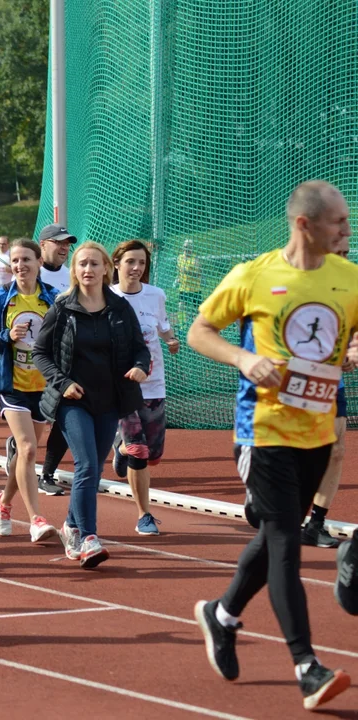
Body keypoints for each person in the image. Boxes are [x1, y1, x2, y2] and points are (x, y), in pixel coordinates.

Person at [187, 181, 356, 710]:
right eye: (339, 223)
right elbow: (200, 331)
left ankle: (222, 613)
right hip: (262, 431)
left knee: (274, 537)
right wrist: (242, 359)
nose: (347, 232)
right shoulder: (254, 276)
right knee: (286, 540)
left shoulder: (350, 278)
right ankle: (307, 665)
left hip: (316, 431)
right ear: (305, 224)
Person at [33, 241, 150, 569]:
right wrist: (63, 382)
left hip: (111, 400)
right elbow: (41, 353)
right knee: (86, 465)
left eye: (94, 264)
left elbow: (140, 348)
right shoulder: (61, 307)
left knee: (94, 469)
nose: (88, 269)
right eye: (82, 264)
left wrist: (141, 366)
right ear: (75, 270)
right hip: (73, 402)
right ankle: (88, 537)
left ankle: (70, 525)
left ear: (105, 270)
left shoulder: (120, 308)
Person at [0, 238, 60, 543]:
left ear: (39, 262)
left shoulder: (53, 298)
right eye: (15, 261)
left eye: (26, 259)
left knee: (25, 456)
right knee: (26, 449)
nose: (20, 266)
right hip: (11, 384)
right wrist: (6, 337)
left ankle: (3, 502)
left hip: (44, 385)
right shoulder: (0, 298)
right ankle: (36, 520)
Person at [107, 240, 181, 535]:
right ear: (117, 264)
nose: (136, 268)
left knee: (153, 454)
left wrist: (171, 340)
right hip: (122, 385)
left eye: (141, 263)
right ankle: (144, 515)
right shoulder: (106, 297)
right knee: (140, 451)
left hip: (154, 383)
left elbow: (163, 327)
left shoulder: (156, 295)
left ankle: (120, 447)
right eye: (130, 262)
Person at [298, 234, 351, 549]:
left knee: (336, 450)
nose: (344, 257)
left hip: (333, 381)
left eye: (347, 252)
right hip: (300, 378)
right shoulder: (301, 286)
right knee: (299, 452)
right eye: (338, 252)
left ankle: (315, 522)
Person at [34, 225, 76, 497]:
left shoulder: (72, 276)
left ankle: (46, 474)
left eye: (67, 244)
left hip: (61, 358)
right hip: (29, 359)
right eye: (58, 243)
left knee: (61, 416)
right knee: (34, 420)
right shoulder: (31, 272)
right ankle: (18, 446)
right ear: (43, 245)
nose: (64, 248)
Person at [175, 238, 201, 326]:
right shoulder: (180, 258)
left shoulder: (195, 259)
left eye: (189, 247)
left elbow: (198, 274)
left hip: (194, 289)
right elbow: (179, 271)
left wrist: (187, 272)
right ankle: (182, 325)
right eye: (185, 246)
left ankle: (198, 326)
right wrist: (177, 279)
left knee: (196, 310)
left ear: (192, 248)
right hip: (183, 288)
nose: (186, 249)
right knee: (181, 306)